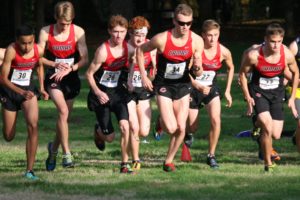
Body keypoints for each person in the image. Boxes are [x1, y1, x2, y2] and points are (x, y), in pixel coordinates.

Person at [137, 4, 203, 172]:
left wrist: (197, 67)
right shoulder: (161, 39)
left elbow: (199, 71)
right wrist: (144, 76)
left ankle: (168, 161)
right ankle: (160, 121)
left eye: (189, 23)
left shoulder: (196, 40)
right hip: (163, 85)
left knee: (181, 128)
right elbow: (139, 51)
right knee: (171, 128)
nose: (185, 27)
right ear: (174, 21)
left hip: (183, 85)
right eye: (181, 23)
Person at [239, 23, 299, 172]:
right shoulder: (254, 55)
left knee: (276, 134)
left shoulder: (286, 54)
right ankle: (268, 163)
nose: (276, 45)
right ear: (265, 39)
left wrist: (291, 98)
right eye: (273, 41)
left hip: (277, 93)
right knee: (267, 125)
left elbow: (296, 73)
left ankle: (256, 125)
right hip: (259, 92)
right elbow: (241, 74)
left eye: (279, 41)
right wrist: (248, 97)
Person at [38, 1, 88, 171]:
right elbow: (38, 57)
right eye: (61, 23)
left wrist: (70, 69)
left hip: (71, 79)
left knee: (63, 119)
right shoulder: (45, 32)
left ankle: (53, 150)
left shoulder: (78, 32)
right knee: (63, 111)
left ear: (72, 19)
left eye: (67, 23)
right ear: (55, 18)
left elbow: (85, 59)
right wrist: (54, 64)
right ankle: (67, 154)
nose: (64, 27)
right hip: (53, 77)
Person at [0, 25, 48, 180]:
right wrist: (20, 92)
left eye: (29, 42)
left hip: (28, 90)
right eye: (23, 43)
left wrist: (41, 88)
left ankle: (30, 170)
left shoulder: (38, 50)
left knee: (33, 125)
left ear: (33, 39)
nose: (26, 47)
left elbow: (40, 67)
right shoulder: (11, 51)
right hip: (9, 91)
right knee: (8, 136)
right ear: (16, 41)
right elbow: (3, 79)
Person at [86, 15, 133, 173]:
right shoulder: (102, 51)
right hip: (102, 94)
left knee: (125, 127)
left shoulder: (129, 48)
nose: (119, 35)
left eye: (122, 31)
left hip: (118, 93)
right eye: (115, 32)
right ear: (109, 32)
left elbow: (134, 63)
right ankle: (99, 130)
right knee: (111, 138)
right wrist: (98, 92)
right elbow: (88, 74)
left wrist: (131, 80)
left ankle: (124, 164)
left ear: (127, 31)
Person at [186, 19, 234, 169]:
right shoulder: (195, 51)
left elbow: (231, 68)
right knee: (192, 127)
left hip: (211, 89)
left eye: (216, 35)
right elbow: (185, 71)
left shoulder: (224, 51)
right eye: (209, 35)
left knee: (216, 120)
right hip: (194, 89)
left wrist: (227, 90)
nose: (213, 39)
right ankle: (187, 134)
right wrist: (196, 84)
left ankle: (211, 155)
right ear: (203, 36)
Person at [127, 16, 156, 171]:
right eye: (137, 34)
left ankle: (131, 146)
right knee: (134, 126)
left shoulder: (150, 46)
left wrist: (152, 73)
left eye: (143, 35)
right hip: (128, 91)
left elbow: (154, 71)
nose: (140, 38)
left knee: (144, 131)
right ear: (131, 33)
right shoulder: (125, 48)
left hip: (143, 90)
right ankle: (135, 159)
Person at [288, 36, 300, 152]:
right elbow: (284, 67)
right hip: (296, 89)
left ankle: (296, 134)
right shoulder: (295, 46)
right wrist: (294, 80)